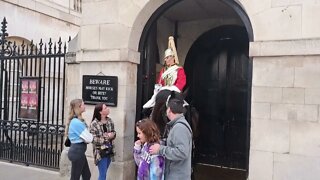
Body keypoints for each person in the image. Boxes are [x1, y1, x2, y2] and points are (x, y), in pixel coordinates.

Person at [149, 94, 192, 180]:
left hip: (177, 176)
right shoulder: (177, 126)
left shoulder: (179, 128)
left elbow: (182, 152)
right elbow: (173, 143)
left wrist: (160, 149)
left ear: (169, 110)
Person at [143, 36, 187, 109]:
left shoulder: (179, 69)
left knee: (182, 108)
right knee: (152, 106)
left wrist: (172, 88)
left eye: (167, 58)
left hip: (174, 93)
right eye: (165, 58)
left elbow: (182, 82)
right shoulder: (163, 70)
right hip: (163, 92)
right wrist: (159, 87)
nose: (165, 60)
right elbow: (160, 82)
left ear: (172, 57)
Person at [66, 99, 93, 180]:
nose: (85, 106)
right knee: (75, 177)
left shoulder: (77, 121)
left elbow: (87, 137)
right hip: (77, 152)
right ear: (79, 107)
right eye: (83, 104)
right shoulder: (76, 122)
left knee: (87, 175)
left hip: (79, 152)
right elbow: (89, 138)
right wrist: (89, 137)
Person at [90, 103, 116, 180]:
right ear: (100, 112)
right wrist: (106, 138)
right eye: (105, 108)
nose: (108, 108)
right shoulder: (94, 124)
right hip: (100, 152)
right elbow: (93, 139)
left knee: (104, 173)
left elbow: (113, 132)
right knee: (102, 174)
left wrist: (112, 135)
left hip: (109, 149)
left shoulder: (109, 121)